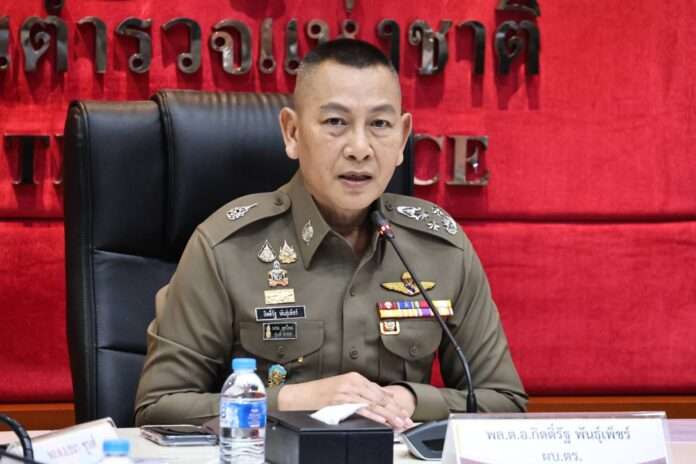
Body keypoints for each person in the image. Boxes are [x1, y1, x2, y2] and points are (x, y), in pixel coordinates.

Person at [134, 38, 527, 429]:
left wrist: (410, 399)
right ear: (292, 132)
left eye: (379, 124)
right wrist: (292, 400)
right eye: (336, 122)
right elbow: (160, 407)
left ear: (403, 138)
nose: (360, 148)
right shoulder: (226, 248)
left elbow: (505, 402)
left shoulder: (441, 249)